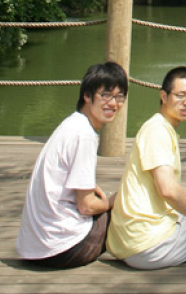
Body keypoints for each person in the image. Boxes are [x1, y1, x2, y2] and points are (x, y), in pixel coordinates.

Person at [106, 66, 186, 269]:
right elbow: (168, 190)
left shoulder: (160, 127)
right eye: (181, 95)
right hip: (150, 244)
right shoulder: (158, 131)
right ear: (164, 96)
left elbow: (167, 187)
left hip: (134, 240)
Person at [16, 61, 128, 268]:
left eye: (119, 97)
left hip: (36, 246)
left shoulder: (72, 124)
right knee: (130, 203)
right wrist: (110, 202)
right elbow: (86, 206)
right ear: (87, 95)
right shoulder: (84, 135)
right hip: (62, 248)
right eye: (105, 95)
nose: (113, 103)